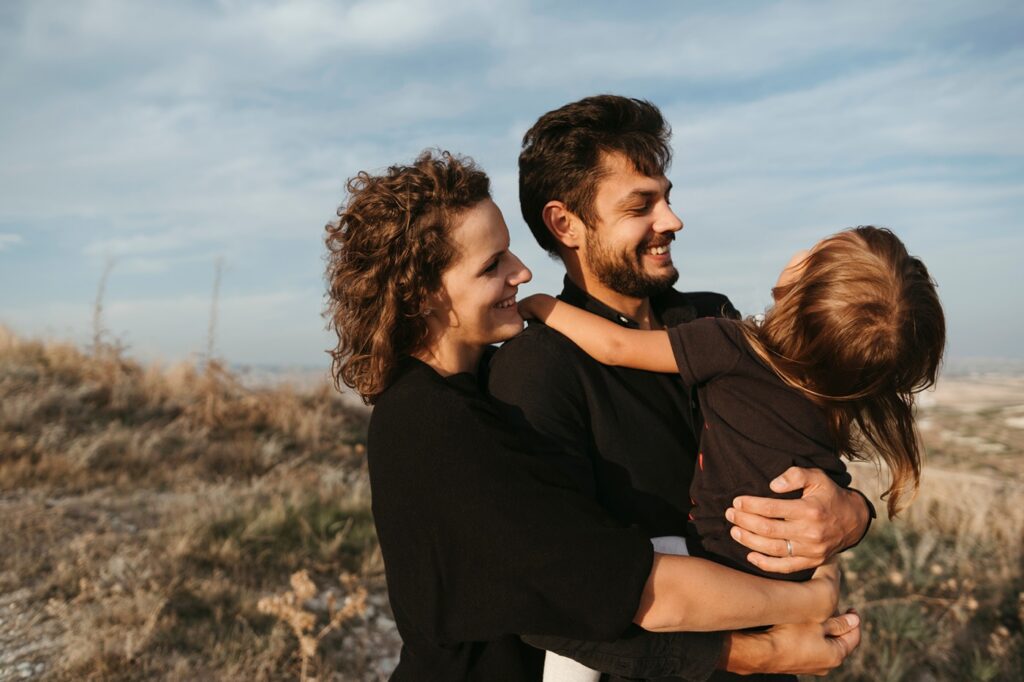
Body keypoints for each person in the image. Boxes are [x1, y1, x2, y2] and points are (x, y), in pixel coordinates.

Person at [324, 150, 860, 681]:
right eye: (492, 265)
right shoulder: (430, 422)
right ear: (420, 297)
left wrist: (851, 512)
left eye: (508, 252)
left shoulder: (475, 391)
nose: (522, 271)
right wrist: (795, 617)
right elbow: (619, 591)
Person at [488, 94, 876, 679]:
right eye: (641, 205)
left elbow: (797, 443)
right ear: (565, 223)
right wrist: (754, 654)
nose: (672, 220)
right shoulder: (535, 369)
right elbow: (551, 600)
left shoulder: (714, 320)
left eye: (667, 198)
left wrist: (851, 515)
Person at [518, 226, 944, 680]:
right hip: (783, 590)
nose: (801, 247)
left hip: (712, 569)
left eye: (816, 251)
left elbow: (616, 346)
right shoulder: (832, 407)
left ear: (800, 294)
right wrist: (852, 521)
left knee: (604, 590)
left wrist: (539, 305)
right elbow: (825, 505)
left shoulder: (729, 344)